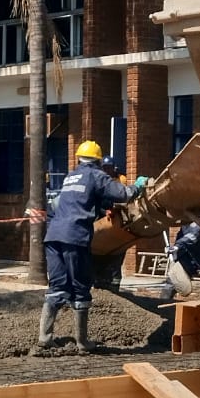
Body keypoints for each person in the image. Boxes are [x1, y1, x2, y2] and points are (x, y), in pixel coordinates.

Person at [37, 140, 141, 354]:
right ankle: (82, 342)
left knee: (57, 286)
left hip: (54, 235)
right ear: (98, 161)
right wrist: (138, 186)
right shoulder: (96, 175)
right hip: (75, 237)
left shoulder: (70, 177)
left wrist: (105, 206)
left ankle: (44, 338)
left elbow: (71, 202)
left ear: (78, 158)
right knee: (80, 287)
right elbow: (124, 194)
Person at [93, 157, 129, 293]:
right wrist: (105, 210)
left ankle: (113, 287)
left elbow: (122, 196)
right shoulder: (100, 180)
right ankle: (100, 282)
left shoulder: (120, 179)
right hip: (104, 217)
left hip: (117, 218)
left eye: (109, 167)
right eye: (105, 167)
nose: (107, 170)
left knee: (115, 256)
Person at [167, 208, 200, 282]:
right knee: (173, 281)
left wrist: (178, 245)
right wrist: (175, 249)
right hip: (187, 256)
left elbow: (195, 235)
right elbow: (182, 234)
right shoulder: (187, 215)